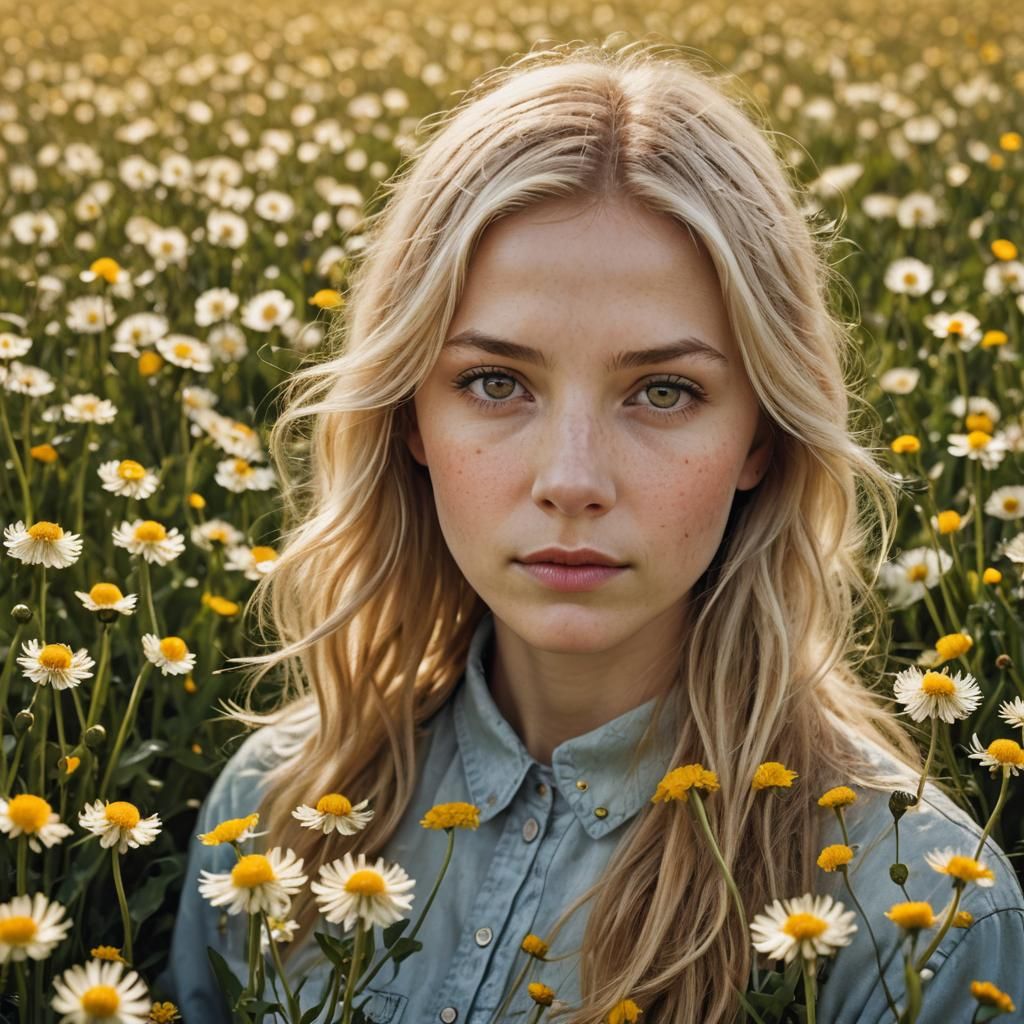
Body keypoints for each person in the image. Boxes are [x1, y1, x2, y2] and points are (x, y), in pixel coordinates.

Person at [160, 40, 1024, 1024]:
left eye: (664, 390)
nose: (571, 479)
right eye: (495, 382)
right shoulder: (274, 809)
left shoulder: (916, 915)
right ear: (409, 419)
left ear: (762, 437)